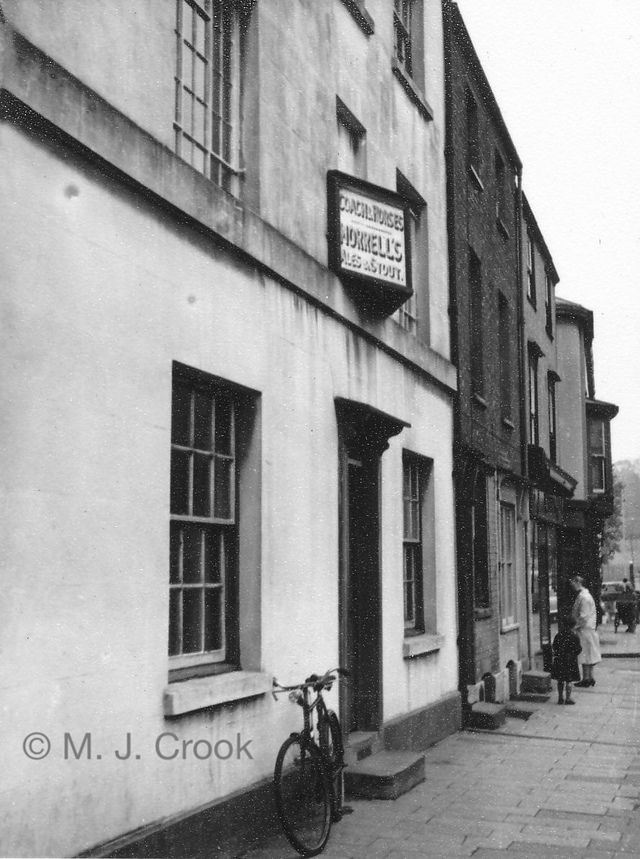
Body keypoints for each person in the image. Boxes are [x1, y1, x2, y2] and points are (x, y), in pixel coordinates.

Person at [570, 575, 601, 687]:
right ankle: (590, 677)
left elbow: (583, 616)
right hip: (588, 629)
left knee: (584, 654)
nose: (571, 585)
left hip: (584, 629)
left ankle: (586, 678)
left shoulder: (583, 598)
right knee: (589, 654)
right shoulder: (585, 596)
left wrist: (575, 627)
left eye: (573, 582)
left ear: (578, 582)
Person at [551, 616, 582, 704]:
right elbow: (578, 649)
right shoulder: (575, 636)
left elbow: (554, 646)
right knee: (569, 680)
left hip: (560, 659)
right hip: (571, 660)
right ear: (573, 625)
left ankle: (560, 697)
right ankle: (568, 698)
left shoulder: (559, 635)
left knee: (560, 680)